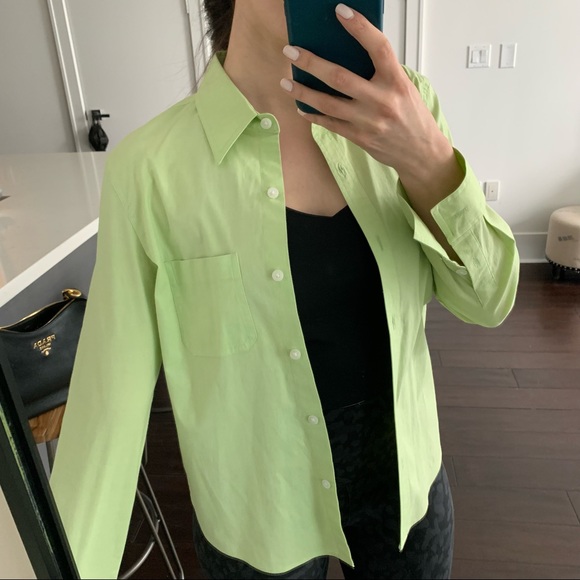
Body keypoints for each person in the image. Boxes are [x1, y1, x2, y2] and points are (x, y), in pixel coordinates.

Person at [50, 2, 520, 579]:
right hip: (256, 515)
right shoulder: (151, 171)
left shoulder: (408, 110)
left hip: (406, 485)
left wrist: (426, 158)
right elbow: (108, 411)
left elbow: (489, 300)